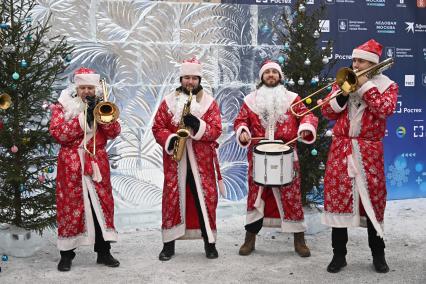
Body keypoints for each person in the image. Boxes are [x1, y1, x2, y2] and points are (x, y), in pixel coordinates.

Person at [320, 39, 398, 273]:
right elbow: (326, 111)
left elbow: (386, 109)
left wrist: (365, 86)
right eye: (354, 59)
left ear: (372, 63)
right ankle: (339, 256)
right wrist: (343, 95)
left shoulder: (388, 85)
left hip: (369, 151)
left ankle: (378, 255)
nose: (355, 64)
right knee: (338, 200)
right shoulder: (343, 82)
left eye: (360, 60)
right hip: (341, 149)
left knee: (373, 202)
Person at [234, 60, 318, 257]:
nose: (271, 75)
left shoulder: (292, 98)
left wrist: (305, 128)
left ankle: (299, 240)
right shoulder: (250, 100)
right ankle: (250, 239)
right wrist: (243, 131)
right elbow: (240, 121)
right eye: (267, 72)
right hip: (258, 157)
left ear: (280, 77)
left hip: (287, 155)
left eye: (274, 72)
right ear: (261, 77)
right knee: (256, 197)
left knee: (292, 197)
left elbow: (308, 117)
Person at [49, 67, 121, 271]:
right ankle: (66, 254)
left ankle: (104, 252)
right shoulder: (61, 106)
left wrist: (100, 115)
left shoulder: (102, 104)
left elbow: (115, 132)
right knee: (70, 207)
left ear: (95, 89)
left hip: (97, 161)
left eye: (90, 88)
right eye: (83, 88)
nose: (87, 92)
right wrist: (83, 119)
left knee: (102, 205)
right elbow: (58, 134)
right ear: (76, 88)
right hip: (71, 163)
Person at [152, 58, 224, 261]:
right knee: (172, 201)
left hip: (202, 163)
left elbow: (216, 130)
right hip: (176, 161)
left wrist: (198, 125)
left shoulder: (209, 103)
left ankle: (209, 243)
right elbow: (158, 127)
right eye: (186, 78)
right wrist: (171, 139)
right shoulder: (168, 102)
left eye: (194, 78)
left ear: (199, 79)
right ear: (181, 79)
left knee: (205, 202)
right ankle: (168, 245)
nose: (190, 82)